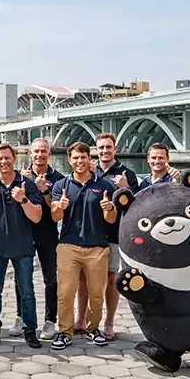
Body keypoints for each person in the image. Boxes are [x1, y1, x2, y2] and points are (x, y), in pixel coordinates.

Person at [0, 144, 44, 349]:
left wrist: (22, 200)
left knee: (27, 290)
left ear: (14, 158)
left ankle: (29, 330)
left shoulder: (27, 184)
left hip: (22, 246)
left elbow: (37, 217)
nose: (3, 162)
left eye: (7, 158)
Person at [50, 142, 117, 351]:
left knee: (97, 292)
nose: (80, 161)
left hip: (97, 246)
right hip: (68, 245)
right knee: (65, 292)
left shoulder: (105, 186)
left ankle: (93, 328)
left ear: (90, 159)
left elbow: (111, 219)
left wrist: (109, 208)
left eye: (84, 157)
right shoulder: (61, 185)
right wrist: (60, 207)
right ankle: (64, 331)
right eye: (76, 158)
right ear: (69, 160)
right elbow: (55, 216)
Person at [74, 133, 138, 341]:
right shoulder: (90, 170)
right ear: (96, 150)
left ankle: (109, 323)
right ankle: (81, 320)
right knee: (84, 279)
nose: (104, 151)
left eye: (108, 147)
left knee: (111, 279)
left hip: (113, 235)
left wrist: (125, 188)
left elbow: (136, 206)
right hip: (91, 234)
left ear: (115, 149)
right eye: (101, 148)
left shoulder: (126, 173)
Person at [14, 139, 65, 340]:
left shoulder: (59, 178)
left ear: (49, 154)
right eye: (36, 151)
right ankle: (21, 317)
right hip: (24, 233)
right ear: (30, 153)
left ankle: (50, 320)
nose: (39, 155)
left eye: (43, 151)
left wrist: (43, 190)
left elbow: (56, 209)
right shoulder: (19, 176)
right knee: (22, 278)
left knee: (50, 278)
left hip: (48, 233)